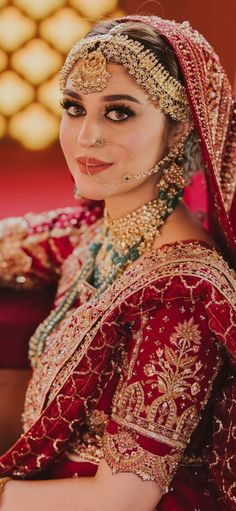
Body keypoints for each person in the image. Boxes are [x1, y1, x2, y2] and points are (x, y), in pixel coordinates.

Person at [0, 14, 235, 511]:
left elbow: (122, 498)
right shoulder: (102, 233)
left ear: (178, 130)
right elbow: (21, 242)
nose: (86, 137)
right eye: (73, 108)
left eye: (119, 113)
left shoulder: (183, 290)